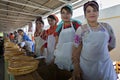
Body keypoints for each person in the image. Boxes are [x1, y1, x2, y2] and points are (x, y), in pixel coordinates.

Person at [72, 1, 117, 80]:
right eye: (88, 11)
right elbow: (75, 48)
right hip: (86, 66)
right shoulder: (81, 30)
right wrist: (76, 67)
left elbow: (112, 44)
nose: (92, 13)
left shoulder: (107, 27)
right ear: (85, 14)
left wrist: (101, 53)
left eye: (94, 10)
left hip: (105, 65)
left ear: (98, 13)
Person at [54, 5, 82, 71]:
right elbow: (57, 42)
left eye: (68, 13)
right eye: (63, 13)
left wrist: (76, 55)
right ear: (60, 15)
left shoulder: (76, 24)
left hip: (73, 56)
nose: (65, 15)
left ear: (71, 14)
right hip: (61, 56)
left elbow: (80, 40)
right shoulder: (59, 27)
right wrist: (55, 54)